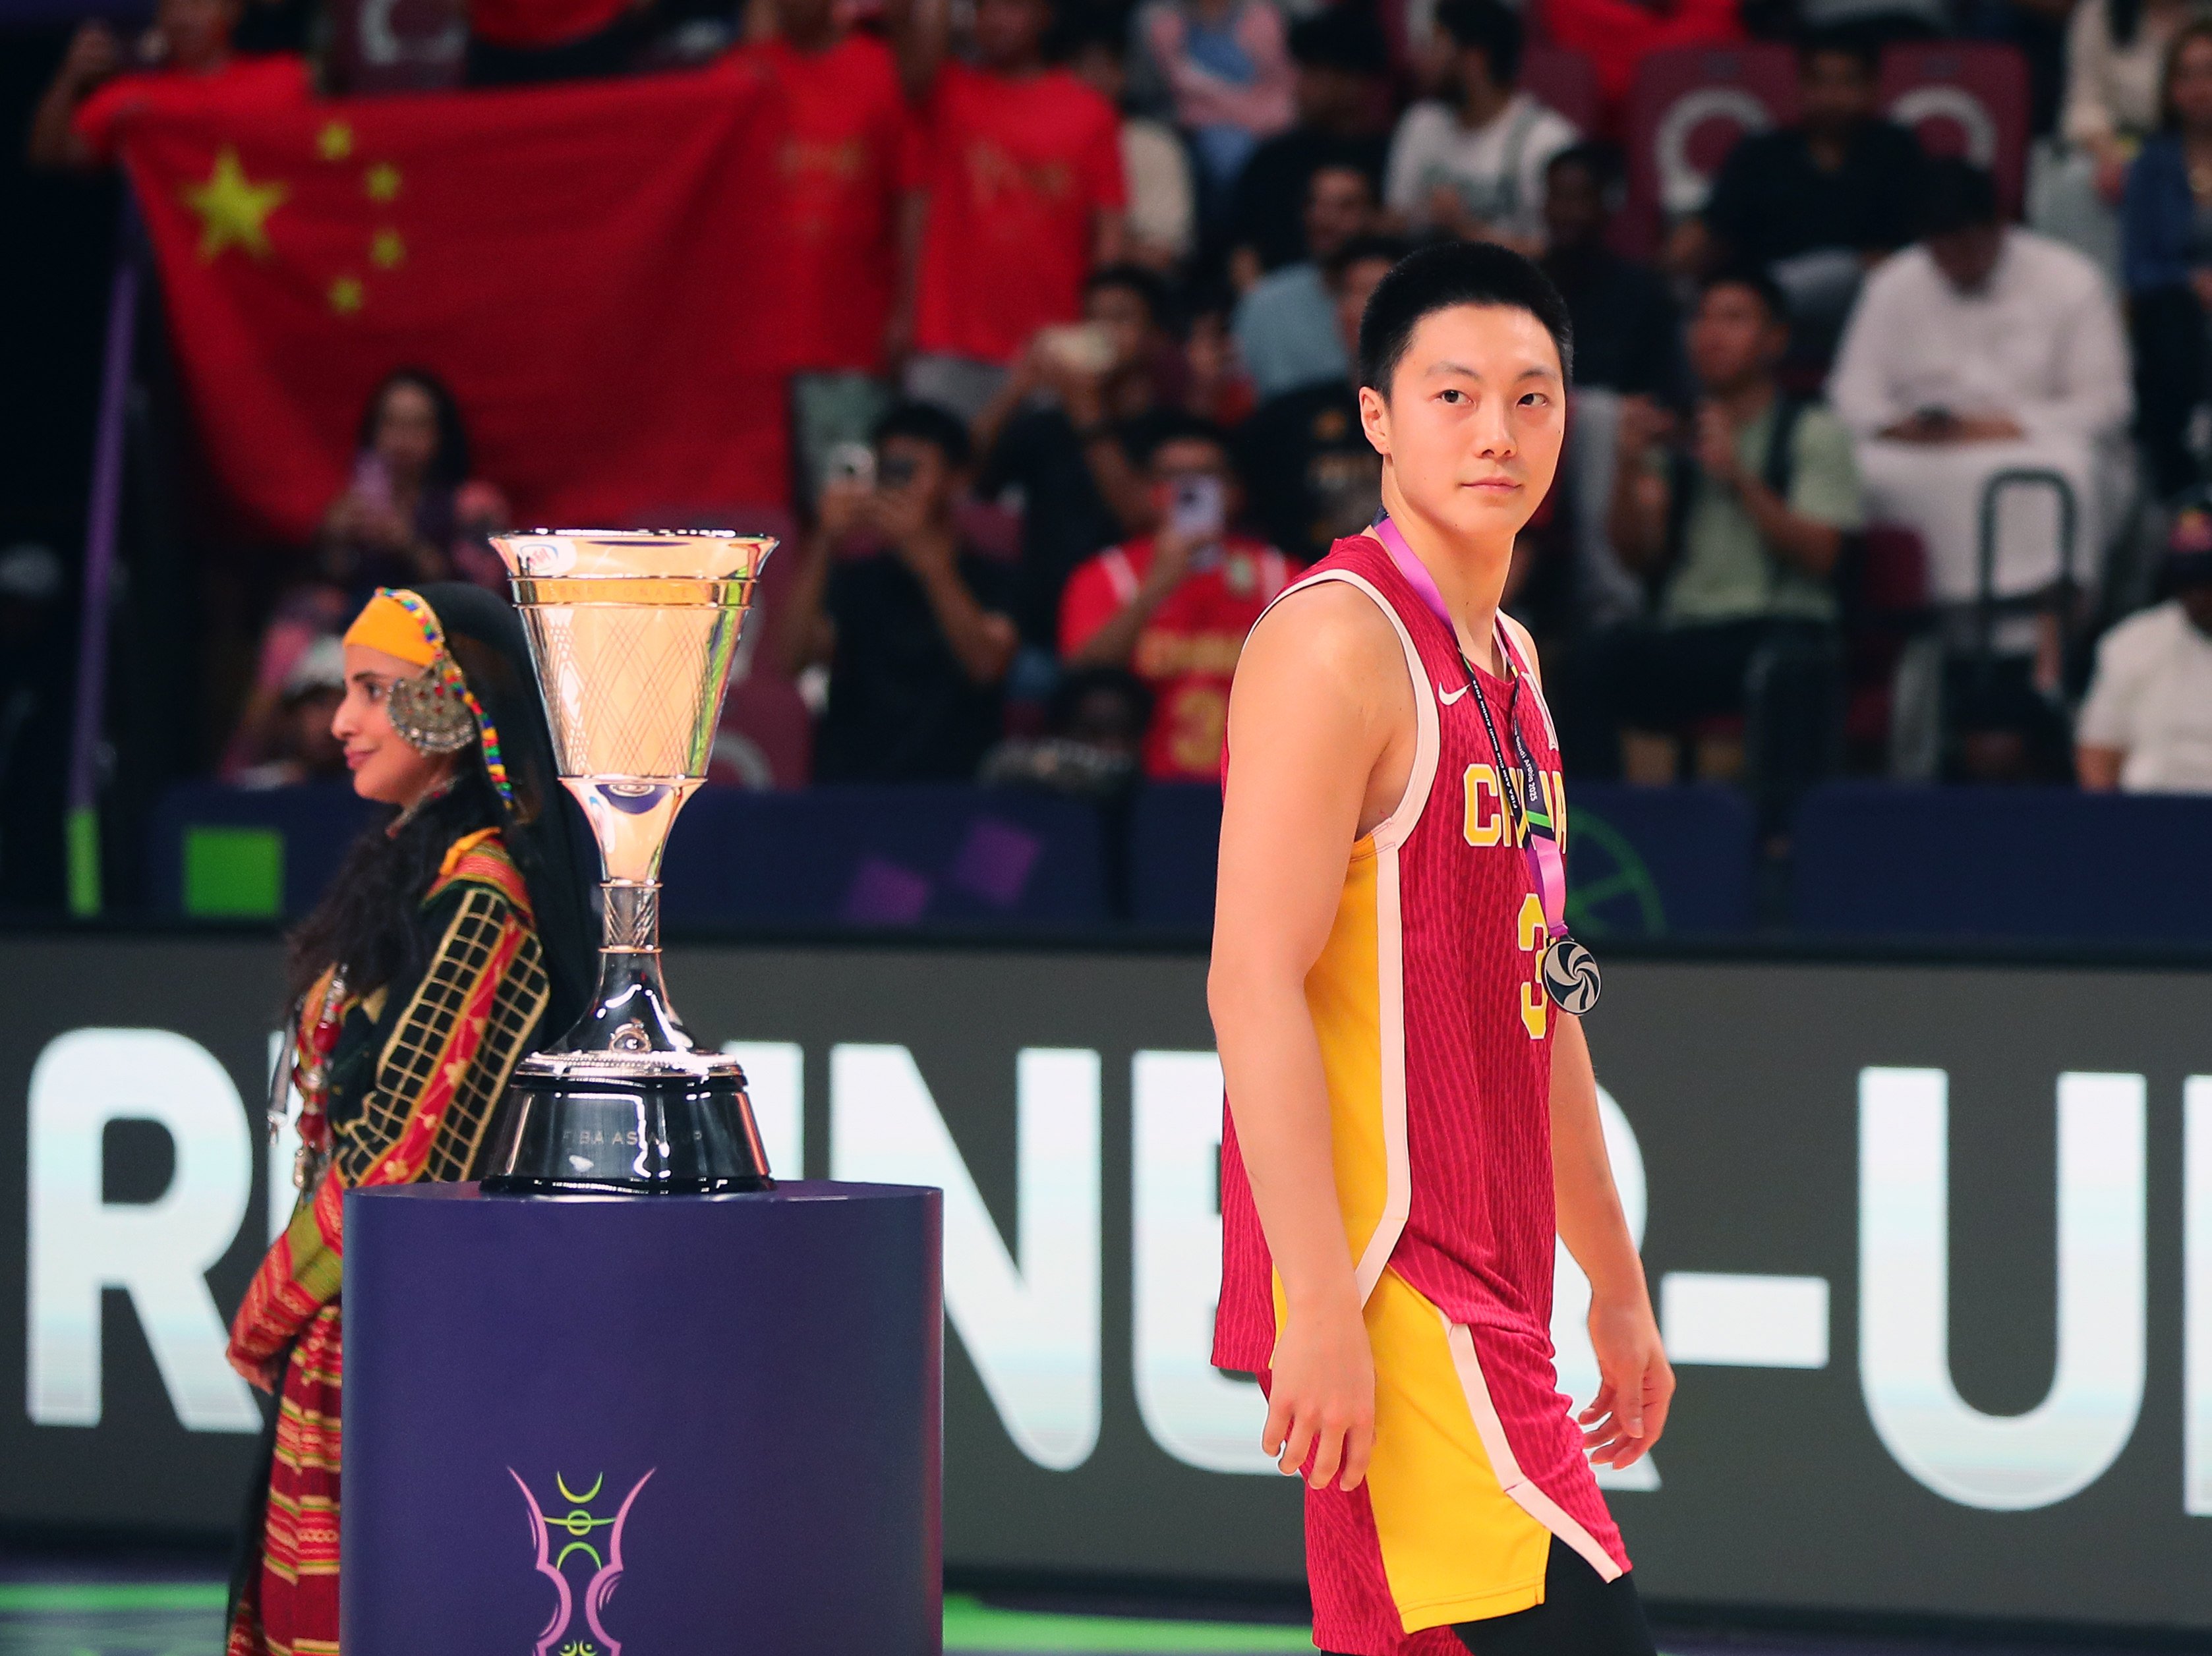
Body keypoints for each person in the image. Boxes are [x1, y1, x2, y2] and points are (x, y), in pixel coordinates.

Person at [1209, 241, 1668, 1656]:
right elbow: (1250, 981)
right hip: (1401, 1291)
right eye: (1455, 392)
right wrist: (1318, 1303)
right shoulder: (1334, 643)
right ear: (1375, 417)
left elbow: (1542, 997)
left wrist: (1617, 1277)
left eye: (1532, 399)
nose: (1495, 431)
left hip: (1498, 1286)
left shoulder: (1512, 663)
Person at [223, 583, 594, 1656]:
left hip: (406, 1328)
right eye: (347, 691)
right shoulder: (414, 866)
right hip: (358, 1319)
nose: (342, 720)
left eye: (376, 692)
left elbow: (401, 1155)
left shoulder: (482, 893)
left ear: (453, 706)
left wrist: (272, 1296)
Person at [1831, 161, 2132, 623]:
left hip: (2027, 441)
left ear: (1999, 227)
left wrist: (1993, 428)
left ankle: (2045, 640)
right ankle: (1897, 626)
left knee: (2066, 474)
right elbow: (1850, 393)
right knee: (1850, 470)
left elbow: (2106, 405)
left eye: (1967, 247)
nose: (1955, 263)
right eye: (1940, 251)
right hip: (1918, 444)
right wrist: (1897, 426)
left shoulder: (2072, 279)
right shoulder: (1892, 284)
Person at [1602, 270, 1862, 780]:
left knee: (1786, 674)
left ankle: (1779, 843)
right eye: (1701, 319)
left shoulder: (1815, 432)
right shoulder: (1676, 437)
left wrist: (1737, 476)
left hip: (1781, 627)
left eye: (1734, 319)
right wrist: (1628, 464)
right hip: (1690, 629)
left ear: (1776, 340)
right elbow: (1637, 556)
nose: (1712, 334)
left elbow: (1825, 555)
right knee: (1594, 662)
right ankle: (1586, 833)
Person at [899, 0, 1127, 422]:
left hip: (1049, 350)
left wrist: (1095, 341)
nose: (997, 19)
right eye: (985, 8)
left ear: (1045, 15)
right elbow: (915, 57)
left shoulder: (1090, 111)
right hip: (949, 340)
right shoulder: (947, 92)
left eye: (1013, 7)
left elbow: (1109, 236)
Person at [774, 401, 1020, 781]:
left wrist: (933, 568)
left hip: (956, 787)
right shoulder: (856, 577)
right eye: (889, 471)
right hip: (857, 785)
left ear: (956, 481)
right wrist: (823, 542)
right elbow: (793, 660)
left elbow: (986, 667)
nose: (897, 485)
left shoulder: (995, 577)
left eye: (910, 470)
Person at [1059, 416, 1295, 780]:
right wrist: (1156, 587)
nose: (1189, 488)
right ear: (1148, 491)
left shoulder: (1280, 574)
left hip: (1253, 788)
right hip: (1138, 789)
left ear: (1234, 491)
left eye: (1206, 475)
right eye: (1171, 477)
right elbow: (1084, 682)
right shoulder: (1107, 574)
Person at [749, 0, 919, 494]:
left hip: (848, 338)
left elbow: (911, 197)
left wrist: (905, 310)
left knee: (848, 503)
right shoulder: (745, 72)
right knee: (762, 513)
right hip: (757, 342)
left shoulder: (881, 71)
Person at [974, 265, 1181, 648]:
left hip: (1142, 634)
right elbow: (967, 477)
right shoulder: (1045, 425)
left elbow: (1139, 517)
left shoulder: (1176, 434)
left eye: (1120, 318)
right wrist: (1018, 387)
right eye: (1092, 318)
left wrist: (1087, 410)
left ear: (1155, 338)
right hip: (1040, 628)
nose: (1101, 333)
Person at [1689, 30, 1927, 351]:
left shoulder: (1896, 150)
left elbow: (1914, 247)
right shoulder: (1761, 152)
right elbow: (1717, 229)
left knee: (1843, 272)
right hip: (1770, 299)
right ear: (1801, 86)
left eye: (1847, 82)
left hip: (1870, 303)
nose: (1832, 96)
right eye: (1820, 82)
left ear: (1872, 88)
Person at [1237, 234, 1401, 564]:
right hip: (1305, 592)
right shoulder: (1283, 420)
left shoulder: (1453, 411)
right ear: (1336, 311)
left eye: (1383, 292)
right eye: (1354, 293)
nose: (1369, 308)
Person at [1383, 0, 1577, 255]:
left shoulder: (1547, 141)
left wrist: (1464, 227)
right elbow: (1388, 224)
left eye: (1435, 46)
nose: (1420, 59)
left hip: (1508, 289)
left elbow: (1557, 254)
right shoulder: (1420, 122)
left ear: (1475, 59)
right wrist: (1423, 214)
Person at [1226, 3, 1393, 288]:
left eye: (1314, 74)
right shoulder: (1272, 159)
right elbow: (1242, 251)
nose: (1300, 87)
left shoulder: (1389, 157)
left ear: (1353, 82)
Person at [30, 0, 301, 172]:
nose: (183, 16)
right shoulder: (132, 98)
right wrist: (70, 77)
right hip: (165, 260)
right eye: (171, 5)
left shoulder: (286, 78)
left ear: (232, 10)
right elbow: (50, 153)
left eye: (198, 4)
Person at [318, 368, 511, 598]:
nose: (401, 440)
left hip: (442, 625)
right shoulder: (356, 500)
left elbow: (482, 592)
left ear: (442, 433)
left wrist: (408, 545)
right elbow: (331, 582)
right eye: (391, 423)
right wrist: (333, 539)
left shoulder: (473, 504)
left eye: (417, 426)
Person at [2120, 18, 2212, 495]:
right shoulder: (2152, 165)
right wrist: (2191, 281)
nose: (2200, 88)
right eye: (2187, 75)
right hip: (2179, 311)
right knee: (2166, 318)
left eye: (2210, 72)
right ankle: (2178, 492)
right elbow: (2138, 266)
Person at [2076, 503, 2212, 791]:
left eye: (2206, 579)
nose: (2198, 594)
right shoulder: (2131, 642)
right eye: (2188, 580)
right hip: (2155, 818)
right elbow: (2098, 754)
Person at [1539, 144, 1682, 403]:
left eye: (1578, 198)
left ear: (1605, 204)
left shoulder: (1643, 293)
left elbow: (1665, 394)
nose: (1565, 212)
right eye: (1557, 196)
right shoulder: (1521, 288)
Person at [1233, 163, 1380, 400]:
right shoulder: (1263, 303)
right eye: (1315, 204)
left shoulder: (1407, 299)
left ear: (1376, 216)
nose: (1325, 219)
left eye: (1346, 206)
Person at [1126, 0, 1295, 202]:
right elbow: (1152, 92)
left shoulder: (1263, 16)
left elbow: (1281, 84)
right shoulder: (1159, 20)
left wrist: (1259, 119)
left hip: (1266, 123)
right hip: (1190, 128)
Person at [1070, 14, 1196, 272]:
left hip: (1127, 284)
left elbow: (1162, 254)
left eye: (1102, 67)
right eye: (1078, 69)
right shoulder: (1031, 144)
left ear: (1122, 75)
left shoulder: (1154, 145)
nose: (1090, 80)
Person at [2065, 0, 2197, 204]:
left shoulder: (2201, 16)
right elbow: (2084, 101)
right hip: (2115, 144)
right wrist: (2111, 156)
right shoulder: (2102, 11)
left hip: (2190, 147)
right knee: (2076, 180)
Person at [227, 635, 350, 788]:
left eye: (343, 704)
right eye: (320, 703)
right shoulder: (252, 792)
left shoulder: (377, 796)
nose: (330, 720)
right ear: (292, 714)